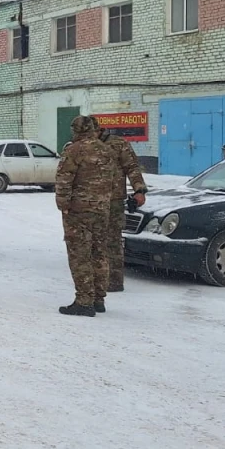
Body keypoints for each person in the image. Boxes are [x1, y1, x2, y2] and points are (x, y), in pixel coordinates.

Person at [54, 116, 117, 317]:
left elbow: (64, 180)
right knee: (99, 252)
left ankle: (84, 300)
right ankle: (99, 299)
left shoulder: (74, 150)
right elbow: (113, 181)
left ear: (76, 130)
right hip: (102, 209)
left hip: (78, 210)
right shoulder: (107, 150)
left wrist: (63, 205)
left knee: (80, 254)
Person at [91, 116, 148, 293]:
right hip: (90, 202)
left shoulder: (118, 144)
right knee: (93, 241)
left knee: (113, 241)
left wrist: (139, 190)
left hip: (113, 201)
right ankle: (95, 278)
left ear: (99, 129)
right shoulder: (85, 146)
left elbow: (132, 167)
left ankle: (114, 281)